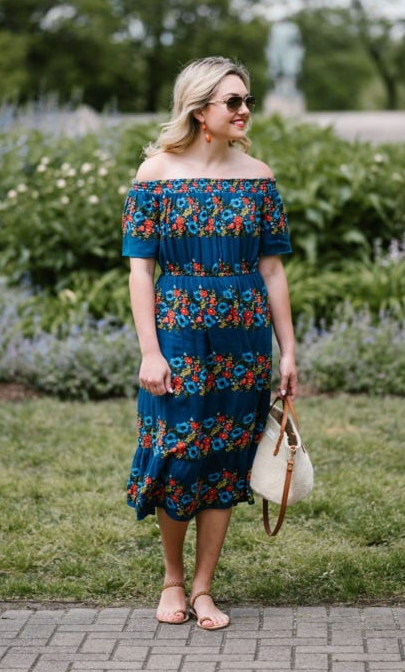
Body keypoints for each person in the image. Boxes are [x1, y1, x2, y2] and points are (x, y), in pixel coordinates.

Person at [121, 56, 297, 631]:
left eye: (247, 101)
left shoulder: (259, 177)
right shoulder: (155, 174)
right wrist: (151, 350)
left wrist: (288, 350)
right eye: (234, 102)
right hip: (178, 333)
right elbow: (140, 271)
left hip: (244, 338)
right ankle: (171, 578)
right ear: (200, 112)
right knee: (178, 452)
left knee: (225, 457)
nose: (245, 111)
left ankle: (202, 589)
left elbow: (272, 270)